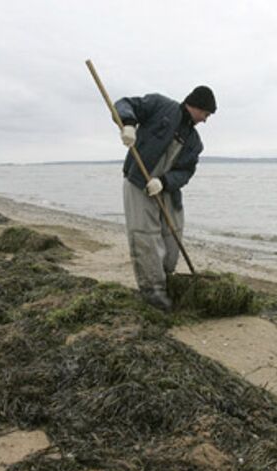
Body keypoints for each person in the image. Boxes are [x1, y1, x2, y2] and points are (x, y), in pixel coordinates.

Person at [114, 86, 216, 311]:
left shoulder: (195, 142)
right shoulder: (160, 105)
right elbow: (123, 103)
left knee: (173, 235)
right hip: (138, 182)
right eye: (206, 114)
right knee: (145, 235)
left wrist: (164, 182)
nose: (205, 120)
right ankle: (153, 290)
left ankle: (165, 277)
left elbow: (185, 172)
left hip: (167, 190)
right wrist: (128, 124)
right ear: (196, 106)